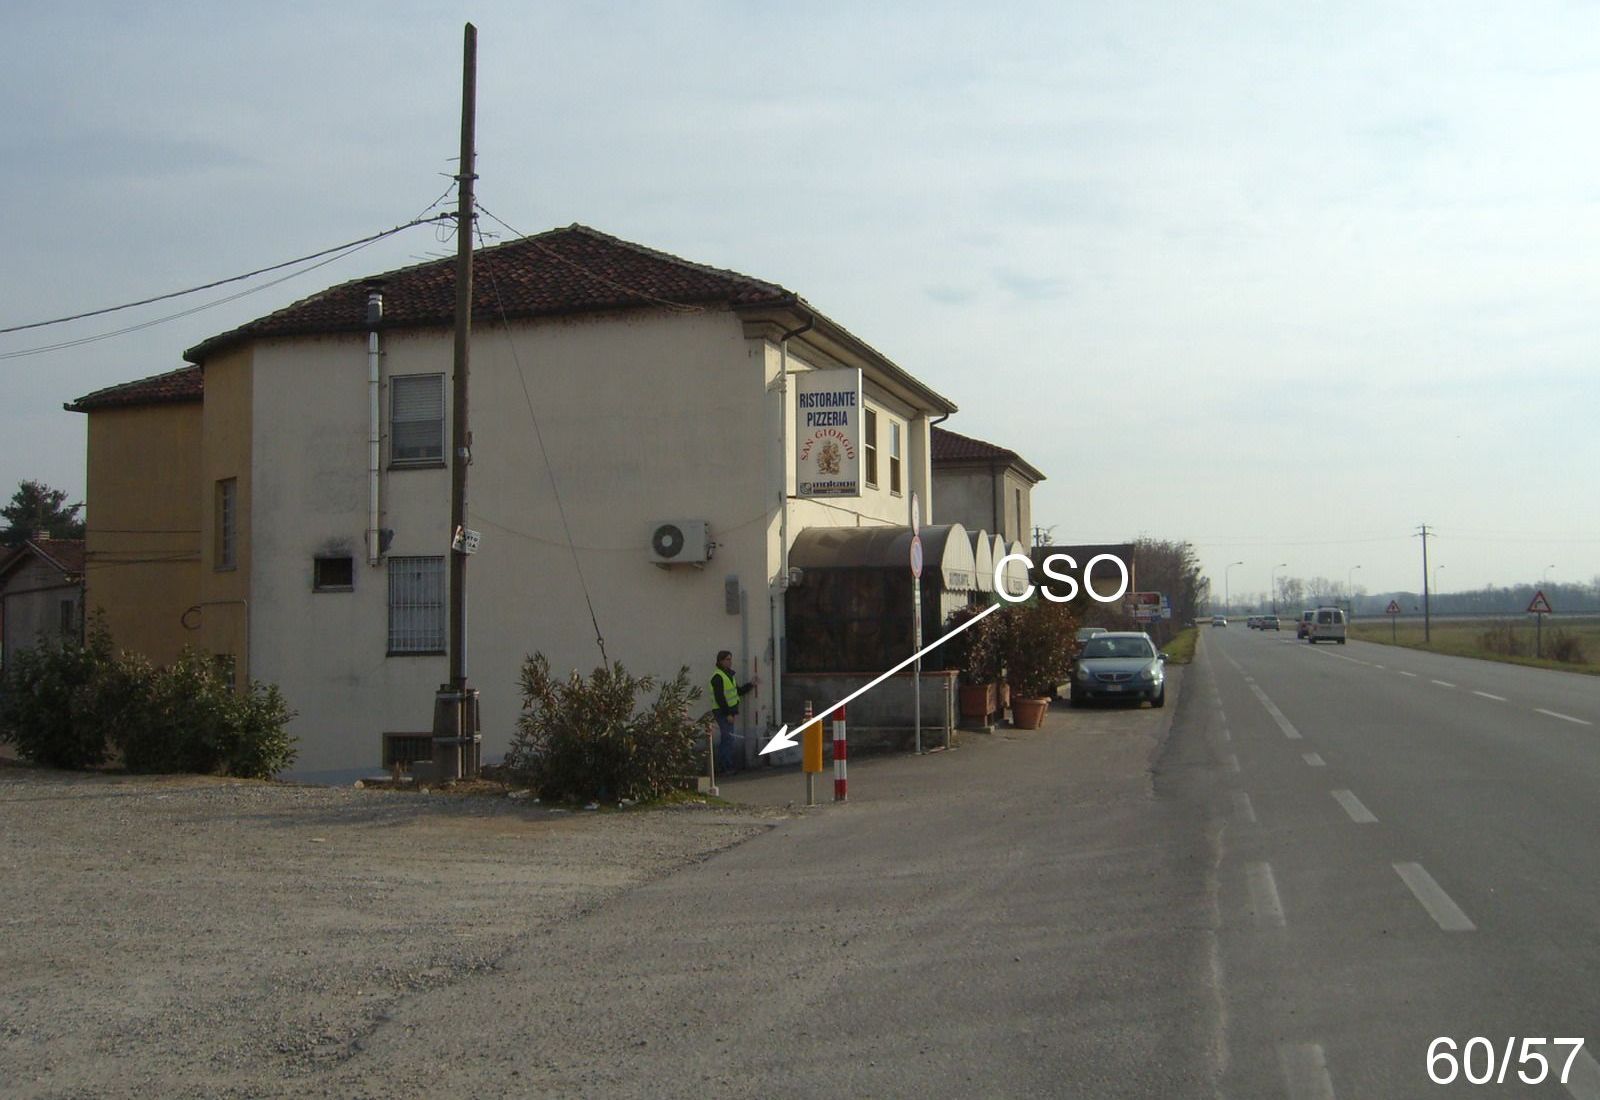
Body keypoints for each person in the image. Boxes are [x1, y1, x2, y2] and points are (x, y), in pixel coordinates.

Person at [709, 650, 757, 774]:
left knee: (728, 739)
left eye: (730, 659)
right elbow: (720, 698)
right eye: (727, 659)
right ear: (720, 661)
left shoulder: (729, 675)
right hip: (722, 712)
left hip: (728, 712)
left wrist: (750, 685)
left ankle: (725, 766)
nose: (730, 662)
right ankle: (725, 767)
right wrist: (728, 714)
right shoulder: (718, 677)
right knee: (727, 739)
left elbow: (737, 691)